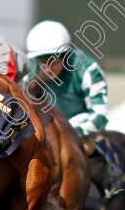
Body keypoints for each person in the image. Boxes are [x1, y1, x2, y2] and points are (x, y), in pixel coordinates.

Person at [23, 20, 111, 192]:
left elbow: (101, 115)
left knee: (86, 148)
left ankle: (102, 196)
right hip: (46, 134)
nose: (47, 68)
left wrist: (69, 133)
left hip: (80, 132)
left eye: (53, 61)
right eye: (42, 61)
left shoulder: (87, 68)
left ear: (66, 56)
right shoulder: (31, 71)